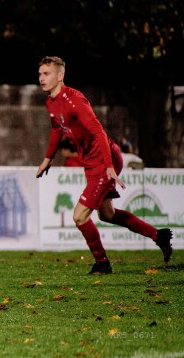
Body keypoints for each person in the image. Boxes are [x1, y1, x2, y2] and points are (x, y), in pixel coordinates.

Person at [35, 56, 172, 274]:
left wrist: (108, 166)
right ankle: (159, 236)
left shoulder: (74, 101)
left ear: (60, 76)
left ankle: (102, 263)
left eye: (47, 73)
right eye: (40, 73)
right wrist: (47, 159)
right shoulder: (51, 102)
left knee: (79, 216)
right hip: (91, 161)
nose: (41, 78)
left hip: (103, 159)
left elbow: (98, 131)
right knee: (106, 215)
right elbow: (57, 128)